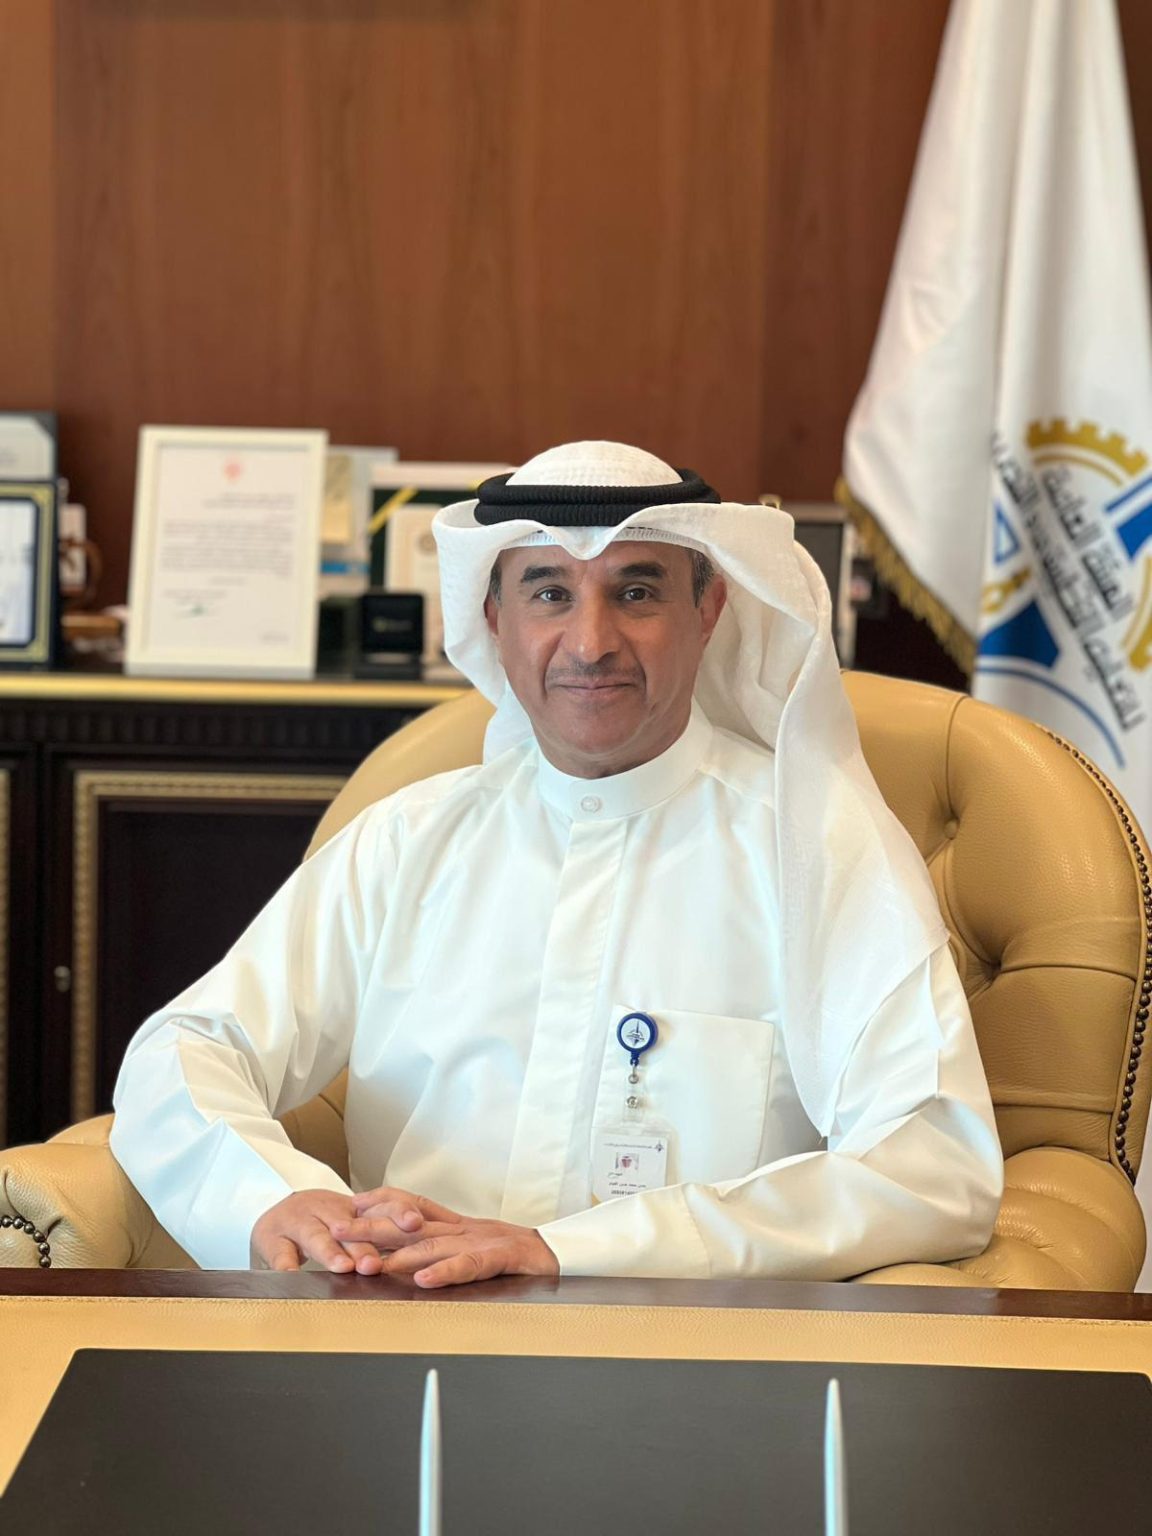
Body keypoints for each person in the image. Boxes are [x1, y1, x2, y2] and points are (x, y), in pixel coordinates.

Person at [110, 441, 1003, 1286]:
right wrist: (273, 1198)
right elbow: (185, 1049)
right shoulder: (408, 842)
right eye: (548, 593)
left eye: (636, 592)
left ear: (708, 612)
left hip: (693, 1354)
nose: (589, 643)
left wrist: (568, 1251)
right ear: (494, 621)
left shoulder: (815, 847)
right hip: (404, 1333)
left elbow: (935, 1168)